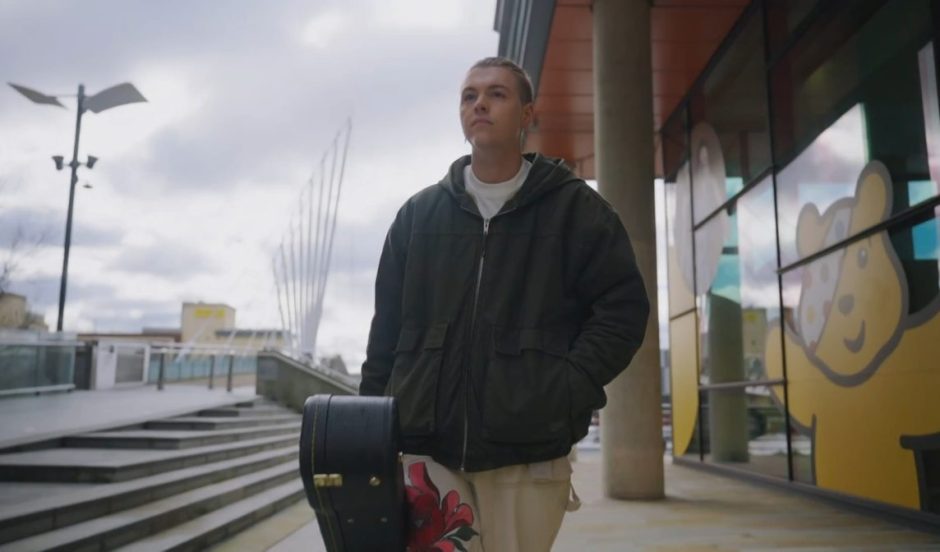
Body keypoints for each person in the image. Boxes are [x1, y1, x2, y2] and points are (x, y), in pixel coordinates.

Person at [360, 56, 649, 552]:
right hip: (427, 452)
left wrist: (565, 385)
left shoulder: (577, 211)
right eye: (470, 96)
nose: (480, 104)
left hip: (528, 450)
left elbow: (622, 311)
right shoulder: (418, 217)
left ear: (527, 113)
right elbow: (386, 330)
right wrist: (369, 427)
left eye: (496, 94)